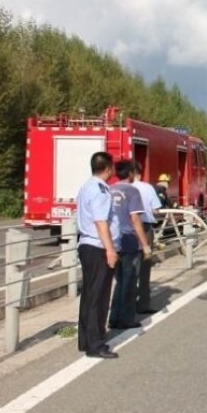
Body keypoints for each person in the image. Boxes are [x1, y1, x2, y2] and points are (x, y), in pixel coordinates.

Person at [75, 152, 120, 359]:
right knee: (98, 297)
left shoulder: (87, 187)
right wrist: (110, 249)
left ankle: (86, 340)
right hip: (97, 247)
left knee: (89, 296)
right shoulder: (100, 190)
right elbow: (101, 222)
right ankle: (96, 344)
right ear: (108, 168)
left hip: (88, 245)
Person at [108, 160, 152, 331]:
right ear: (131, 172)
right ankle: (125, 318)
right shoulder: (132, 191)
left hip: (114, 241)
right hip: (129, 241)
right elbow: (135, 219)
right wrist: (145, 244)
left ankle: (114, 317)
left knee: (118, 281)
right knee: (129, 281)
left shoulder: (110, 190)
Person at [132, 162, 162, 315]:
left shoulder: (117, 188)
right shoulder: (147, 187)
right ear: (139, 173)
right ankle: (143, 304)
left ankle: (125, 304)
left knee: (128, 268)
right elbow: (156, 210)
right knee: (144, 267)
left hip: (125, 230)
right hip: (144, 227)